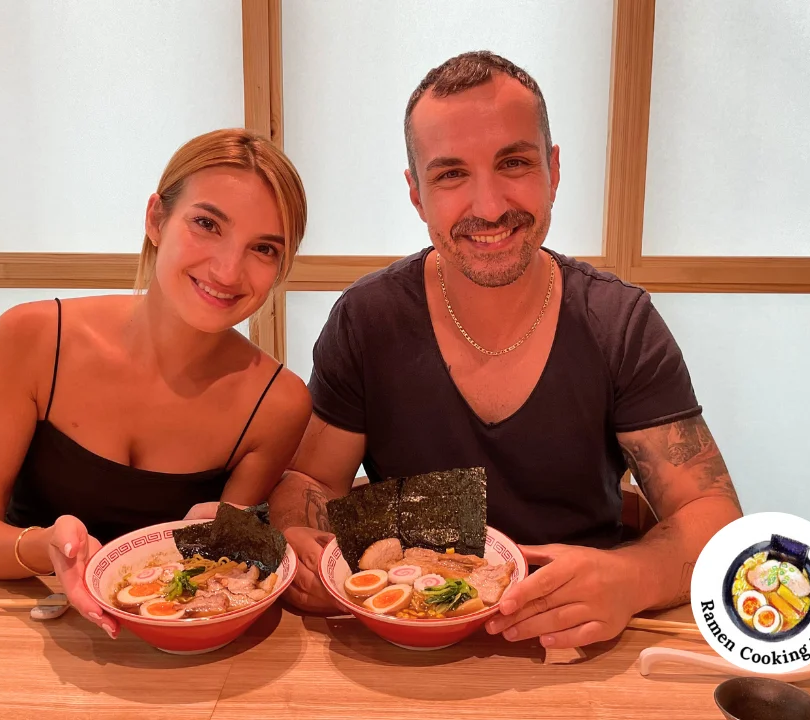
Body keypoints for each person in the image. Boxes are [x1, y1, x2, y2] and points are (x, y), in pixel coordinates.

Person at [268, 51, 743, 649]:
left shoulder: (619, 324)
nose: (490, 207)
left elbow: (711, 510)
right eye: (450, 174)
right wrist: (298, 538)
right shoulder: (369, 320)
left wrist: (634, 577)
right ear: (416, 194)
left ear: (553, 169)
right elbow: (311, 478)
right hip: (410, 635)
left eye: (514, 163)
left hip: (577, 638)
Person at [0, 129, 312, 639]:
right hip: (24, 629)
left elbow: (221, 577)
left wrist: (232, 538)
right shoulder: (32, 338)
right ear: (156, 219)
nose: (228, 271)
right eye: (206, 224)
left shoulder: (278, 403)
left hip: (167, 642)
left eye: (264, 249)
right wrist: (48, 546)